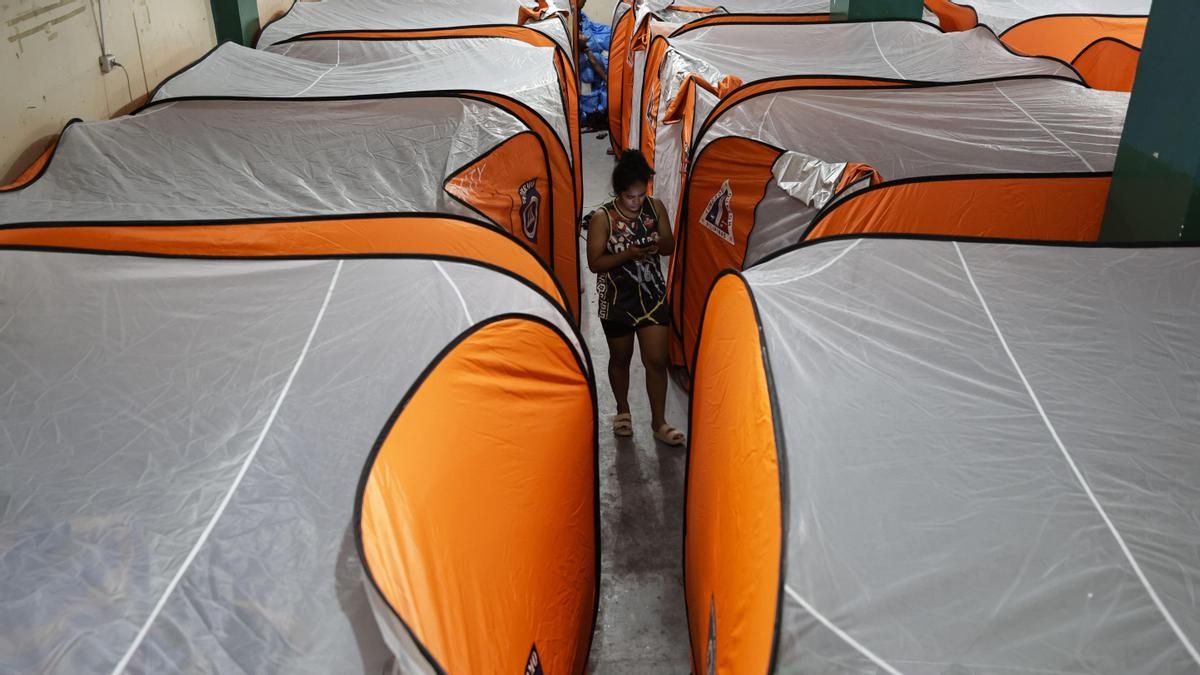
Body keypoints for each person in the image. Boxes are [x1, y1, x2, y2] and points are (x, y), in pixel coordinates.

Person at [587, 150, 686, 446]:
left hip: (652, 296)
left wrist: (657, 243)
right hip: (618, 299)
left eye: (641, 195)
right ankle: (623, 411)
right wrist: (628, 254)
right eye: (631, 197)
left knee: (656, 360)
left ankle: (659, 422)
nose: (637, 202)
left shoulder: (655, 209)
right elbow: (595, 264)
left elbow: (669, 245)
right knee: (621, 358)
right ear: (619, 193)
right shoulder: (602, 218)